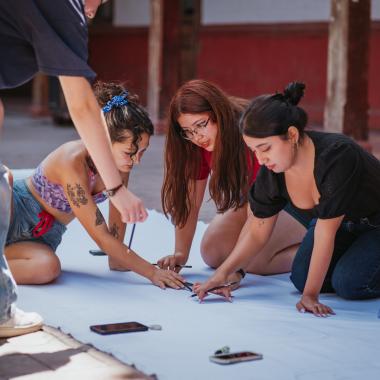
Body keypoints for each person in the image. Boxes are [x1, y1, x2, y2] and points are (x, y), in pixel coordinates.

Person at [0, 0, 145, 337]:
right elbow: (80, 105)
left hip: (38, 238)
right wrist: (117, 190)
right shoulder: (65, 7)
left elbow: (114, 251)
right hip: (21, 212)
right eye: (99, 2)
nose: (93, 12)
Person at [193, 82, 380, 317]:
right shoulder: (274, 169)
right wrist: (221, 275)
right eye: (254, 151)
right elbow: (257, 230)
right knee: (301, 276)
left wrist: (310, 297)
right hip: (346, 224)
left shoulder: (337, 155)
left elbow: (325, 232)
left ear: (292, 134)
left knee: (349, 283)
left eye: (265, 148)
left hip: (374, 223)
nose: (260, 159)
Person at [4, 82, 185, 290]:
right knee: (4, 176)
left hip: (43, 237)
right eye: (130, 152)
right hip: (13, 212)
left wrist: (124, 260)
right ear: (104, 140)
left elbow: (115, 232)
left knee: (48, 268)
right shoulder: (71, 161)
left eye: (142, 152)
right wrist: (151, 272)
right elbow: (102, 238)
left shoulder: (121, 165)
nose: (136, 161)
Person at [157, 80, 305, 286]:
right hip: (254, 203)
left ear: (218, 113)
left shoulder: (249, 136)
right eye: (187, 131)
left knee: (254, 258)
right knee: (213, 251)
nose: (196, 136)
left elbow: (261, 208)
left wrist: (235, 271)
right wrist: (180, 253)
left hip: (295, 203)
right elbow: (190, 202)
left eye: (201, 125)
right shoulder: (194, 144)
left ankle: (320, 251)